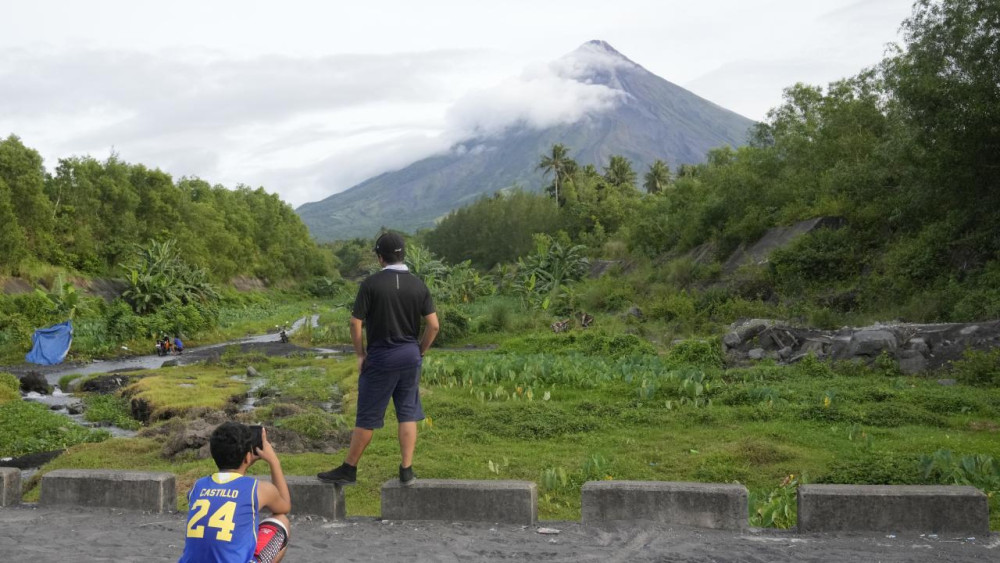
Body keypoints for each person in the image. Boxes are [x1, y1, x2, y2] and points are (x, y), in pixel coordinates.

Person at [318, 231, 439, 487]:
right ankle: (406, 469)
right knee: (407, 413)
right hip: (410, 356)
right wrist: (420, 350)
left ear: (380, 257)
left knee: (368, 416)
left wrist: (360, 354)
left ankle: (349, 469)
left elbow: (355, 323)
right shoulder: (419, 285)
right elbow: (434, 326)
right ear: (403, 254)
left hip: (382, 357)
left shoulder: (371, 284)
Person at [179, 422, 292, 563]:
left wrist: (244, 462)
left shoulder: (197, 486)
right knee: (281, 520)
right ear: (247, 457)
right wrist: (274, 461)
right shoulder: (258, 489)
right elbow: (285, 506)